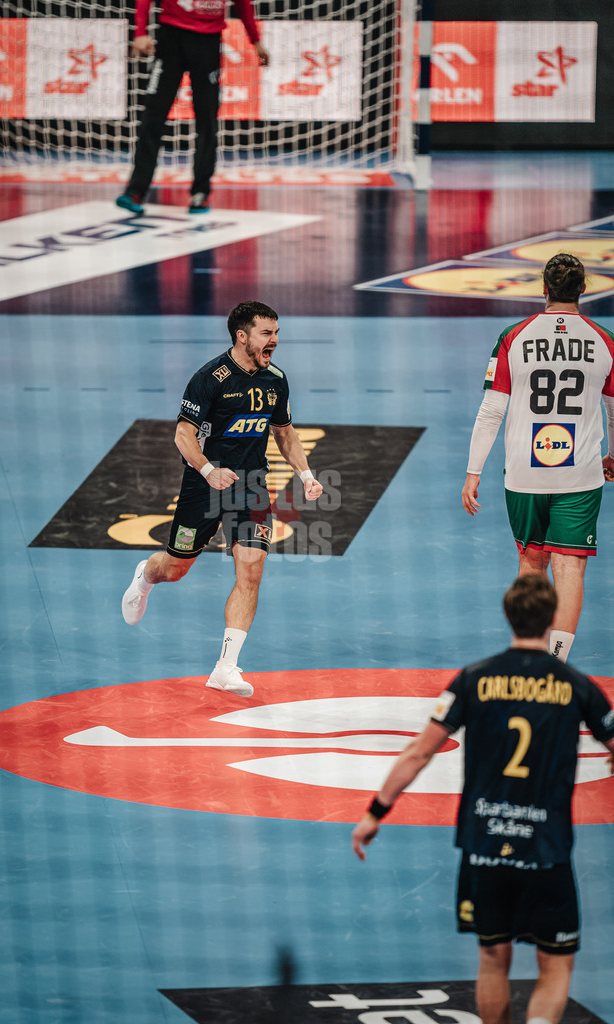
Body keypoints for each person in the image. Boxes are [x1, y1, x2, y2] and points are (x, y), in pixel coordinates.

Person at [352, 573, 614, 1024]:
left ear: (507, 617)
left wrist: (375, 813)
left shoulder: (474, 679)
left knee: (493, 960)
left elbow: (418, 753)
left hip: (485, 847)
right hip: (546, 849)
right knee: (555, 966)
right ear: (553, 619)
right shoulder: (578, 686)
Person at [121, 300, 323, 697]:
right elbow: (183, 435)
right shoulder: (209, 379)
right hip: (205, 486)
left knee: (252, 569)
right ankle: (146, 576)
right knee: (176, 569)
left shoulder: (276, 380)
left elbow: (284, 431)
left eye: (277, 333)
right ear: (241, 336)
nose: (275, 341)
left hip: (251, 486)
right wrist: (207, 470)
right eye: (267, 333)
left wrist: (307, 474)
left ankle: (225, 668)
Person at [461, 252, 614, 663]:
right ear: (584, 290)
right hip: (580, 474)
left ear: (543, 289)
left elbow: (492, 410)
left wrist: (473, 471)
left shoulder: (515, 336)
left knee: (531, 564)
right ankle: (556, 663)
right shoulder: (604, 339)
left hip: (526, 474)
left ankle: (527, 656)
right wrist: (612, 454)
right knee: (570, 568)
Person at [116, 0, 269, 216]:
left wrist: (256, 41)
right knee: (153, 117)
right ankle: (135, 191)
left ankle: (200, 193)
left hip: (208, 43)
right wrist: (140, 32)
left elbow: (243, 4)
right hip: (171, 39)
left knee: (207, 121)